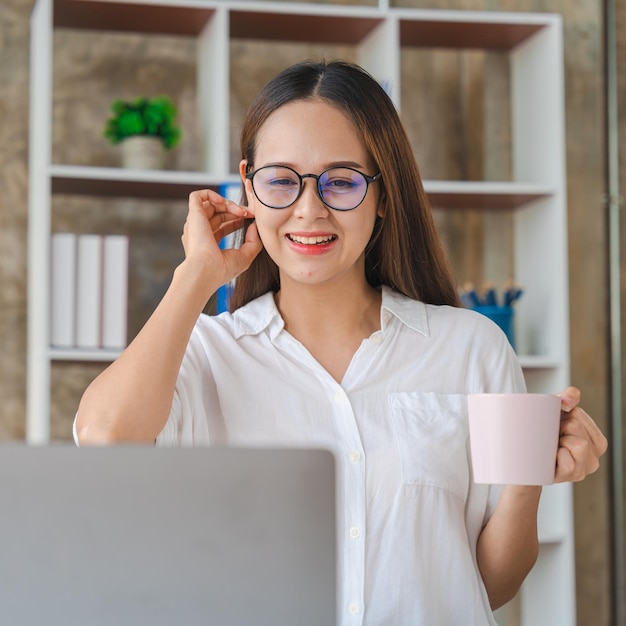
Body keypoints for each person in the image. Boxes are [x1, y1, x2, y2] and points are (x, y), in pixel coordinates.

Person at [75, 59, 607, 625]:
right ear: (248, 186)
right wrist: (197, 276)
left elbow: (490, 585)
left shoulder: (470, 347)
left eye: (343, 181)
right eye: (281, 180)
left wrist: (531, 472)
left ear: (382, 196)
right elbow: (106, 437)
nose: (310, 209)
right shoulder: (206, 354)